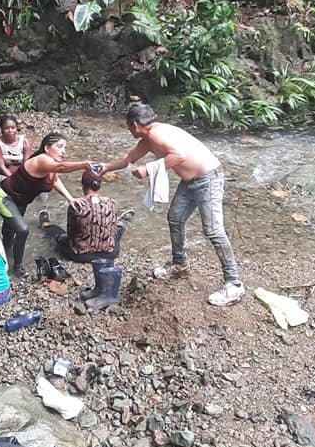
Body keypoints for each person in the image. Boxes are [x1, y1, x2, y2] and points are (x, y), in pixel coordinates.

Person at [101, 102, 244, 306]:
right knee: (175, 218)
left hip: (208, 179)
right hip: (191, 182)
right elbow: (127, 159)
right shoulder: (149, 138)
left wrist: (148, 169)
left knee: (213, 230)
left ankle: (234, 284)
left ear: (134, 125)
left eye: (127, 126)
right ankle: (179, 265)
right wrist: (105, 168)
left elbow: (178, 156)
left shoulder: (157, 134)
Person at [0, 132, 100, 278]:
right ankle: (17, 268)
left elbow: (54, 180)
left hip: (20, 201)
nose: (63, 151)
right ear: (47, 148)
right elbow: (61, 167)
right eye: (59, 147)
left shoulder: (50, 167)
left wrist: (70, 198)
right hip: (4, 196)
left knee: (10, 231)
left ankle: (4, 253)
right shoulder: (42, 159)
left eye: (65, 148)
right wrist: (83, 164)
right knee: (22, 230)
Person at [37, 170, 135, 309]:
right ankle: (123, 221)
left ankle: (45, 223)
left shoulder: (76, 205)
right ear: (100, 185)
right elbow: (110, 228)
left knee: (58, 234)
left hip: (81, 254)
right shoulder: (112, 203)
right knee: (115, 230)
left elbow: (71, 233)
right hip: (110, 253)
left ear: (83, 185)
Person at [0, 115, 34, 185]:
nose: (10, 131)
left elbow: (26, 164)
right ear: (1, 129)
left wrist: (24, 178)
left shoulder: (24, 142)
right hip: (1, 173)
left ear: (17, 128)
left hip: (19, 173)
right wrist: (13, 179)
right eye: (6, 128)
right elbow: (1, 166)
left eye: (13, 128)